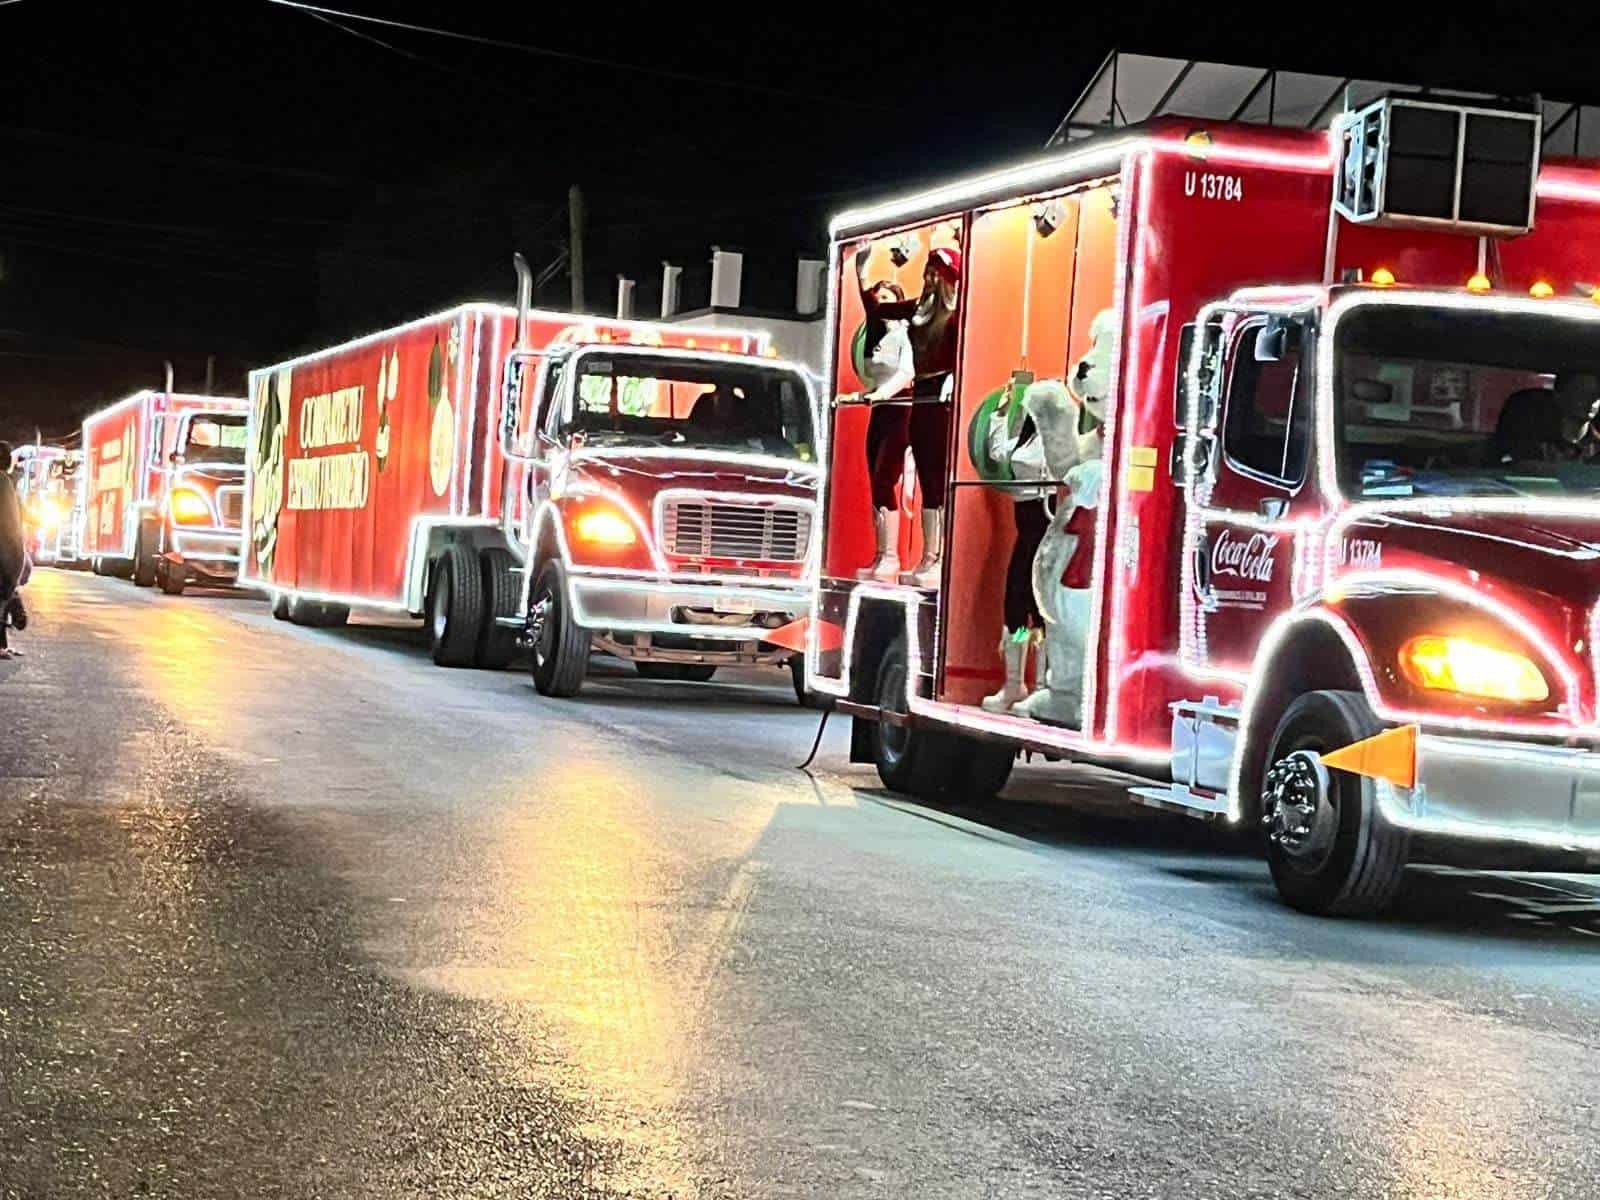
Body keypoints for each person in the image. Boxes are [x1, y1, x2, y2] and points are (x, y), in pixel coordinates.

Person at [1491, 371, 1600, 464]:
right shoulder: (1531, 446)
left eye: (1595, 394)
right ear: (1559, 397)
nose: (1591, 400)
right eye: (1581, 392)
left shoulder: (1597, 447)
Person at [0, 441, 28, 659]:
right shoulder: (5, 483)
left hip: (8, 551)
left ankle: (2, 643)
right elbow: (19, 517)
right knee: (4, 594)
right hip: (8, 551)